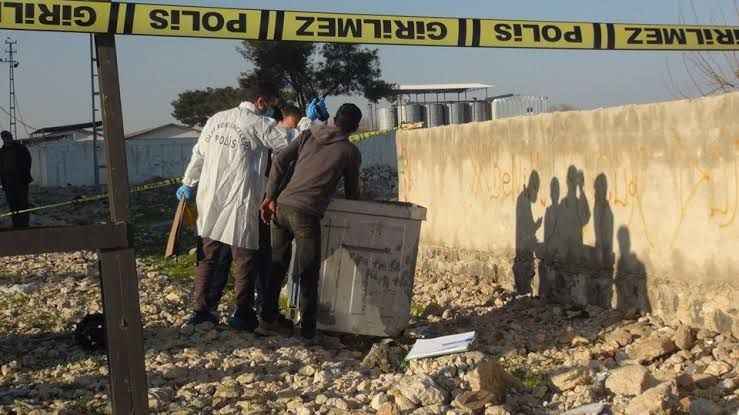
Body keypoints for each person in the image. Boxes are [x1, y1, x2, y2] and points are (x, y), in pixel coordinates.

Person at [176, 80, 290, 331]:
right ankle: (242, 312)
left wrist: (188, 182)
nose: (270, 110)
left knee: (208, 256)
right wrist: (310, 123)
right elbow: (290, 141)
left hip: (210, 199)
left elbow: (198, 154)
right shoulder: (258, 123)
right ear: (260, 102)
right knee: (244, 258)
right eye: (269, 104)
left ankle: (201, 311)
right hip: (240, 199)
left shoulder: (216, 119)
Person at [260, 103, 362, 341]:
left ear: (334, 119)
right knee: (308, 271)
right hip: (305, 214)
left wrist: (269, 197)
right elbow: (352, 193)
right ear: (355, 128)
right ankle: (307, 332)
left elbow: (279, 161)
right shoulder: (349, 152)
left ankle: (266, 321)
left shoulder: (307, 135)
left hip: (282, 206)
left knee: (277, 265)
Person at [0, 130, 33, 228]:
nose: (7, 139)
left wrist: (24, 175)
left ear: (11, 137)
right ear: (3, 139)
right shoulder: (2, 152)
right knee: (12, 204)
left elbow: (28, 162)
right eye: (4, 138)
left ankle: (24, 225)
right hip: (8, 182)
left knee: (22, 203)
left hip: (21, 181)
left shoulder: (21, 149)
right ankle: (16, 224)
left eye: (8, 137)